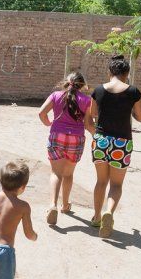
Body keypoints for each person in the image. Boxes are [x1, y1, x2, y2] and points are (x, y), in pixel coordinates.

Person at [87, 55, 141, 238]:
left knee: (101, 181)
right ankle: (109, 213)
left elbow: (93, 113)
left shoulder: (98, 90)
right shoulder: (133, 91)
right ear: (126, 74)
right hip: (122, 142)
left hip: (101, 140)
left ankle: (96, 217)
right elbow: (140, 117)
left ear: (110, 72)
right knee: (116, 184)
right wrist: (129, 112)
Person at [38, 72, 92, 225]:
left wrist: (49, 123)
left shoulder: (56, 95)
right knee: (68, 175)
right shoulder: (87, 100)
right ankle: (66, 205)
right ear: (82, 85)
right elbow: (88, 124)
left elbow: (41, 113)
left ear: (66, 82)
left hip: (57, 136)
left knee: (56, 173)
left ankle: (53, 205)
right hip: (76, 139)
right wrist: (97, 137)